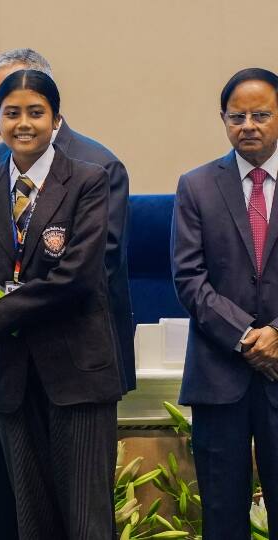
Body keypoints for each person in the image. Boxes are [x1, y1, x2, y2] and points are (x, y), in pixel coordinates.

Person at [0, 69, 122, 539]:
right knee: (31, 520)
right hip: (12, 375)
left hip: (77, 374)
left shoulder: (88, 180)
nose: (23, 123)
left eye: (35, 112)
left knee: (86, 521)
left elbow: (78, 278)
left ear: (56, 119)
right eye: (11, 113)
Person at [172, 67, 278, 538]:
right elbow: (189, 278)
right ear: (223, 119)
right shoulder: (196, 186)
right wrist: (248, 337)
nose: (248, 125)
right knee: (221, 517)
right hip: (219, 374)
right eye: (237, 116)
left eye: (261, 115)